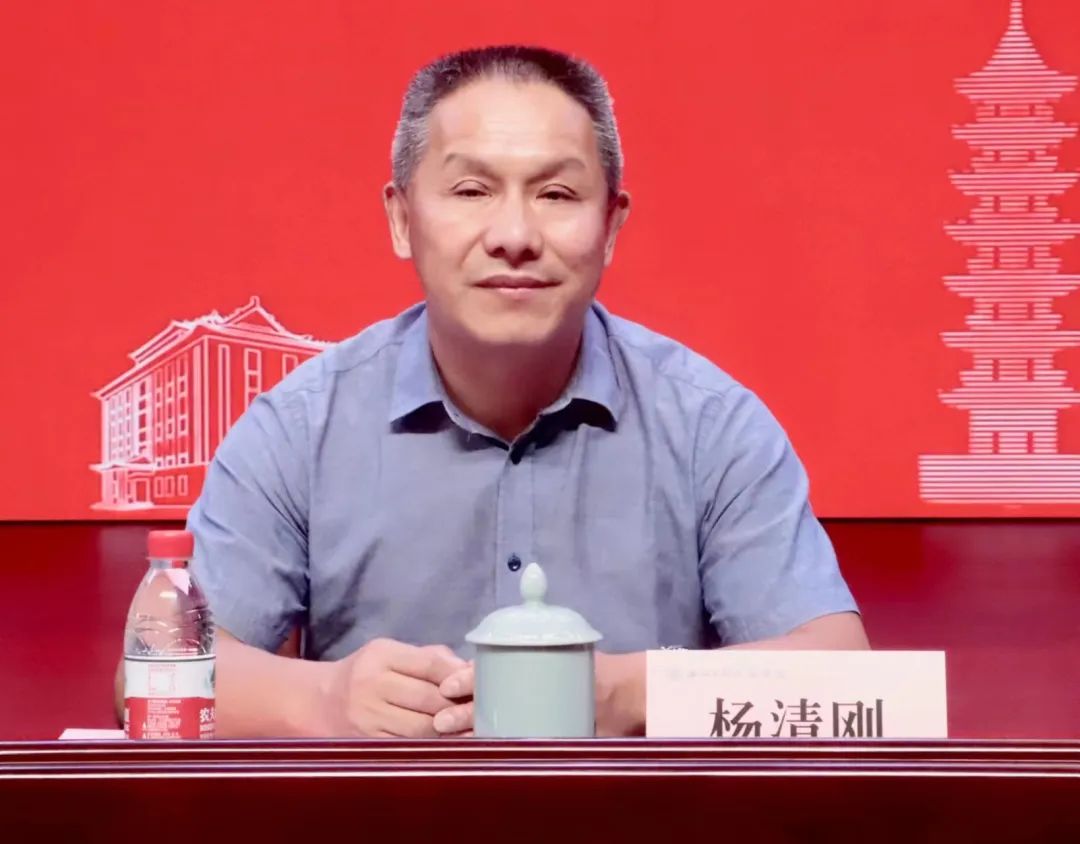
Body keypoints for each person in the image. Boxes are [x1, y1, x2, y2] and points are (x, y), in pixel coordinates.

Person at [115, 45, 868, 739]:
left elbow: (845, 675)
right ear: (402, 219)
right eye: (472, 189)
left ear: (611, 226)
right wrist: (327, 698)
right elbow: (150, 679)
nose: (514, 235)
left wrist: (623, 693)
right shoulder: (299, 428)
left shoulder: (710, 425)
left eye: (557, 193)